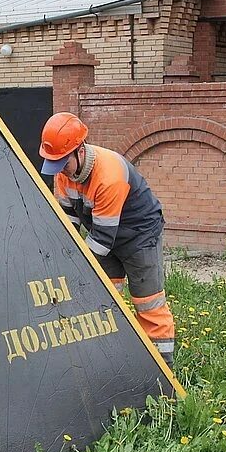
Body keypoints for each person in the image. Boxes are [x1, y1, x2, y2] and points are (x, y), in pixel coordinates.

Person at [39, 112, 175, 367]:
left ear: (79, 151)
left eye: (62, 163)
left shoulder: (109, 175)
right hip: (103, 232)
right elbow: (70, 222)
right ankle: (110, 357)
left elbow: (101, 240)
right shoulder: (62, 173)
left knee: (148, 301)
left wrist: (75, 272)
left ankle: (162, 372)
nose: (61, 172)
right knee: (102, 295)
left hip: (139, 235)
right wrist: (60, 257)